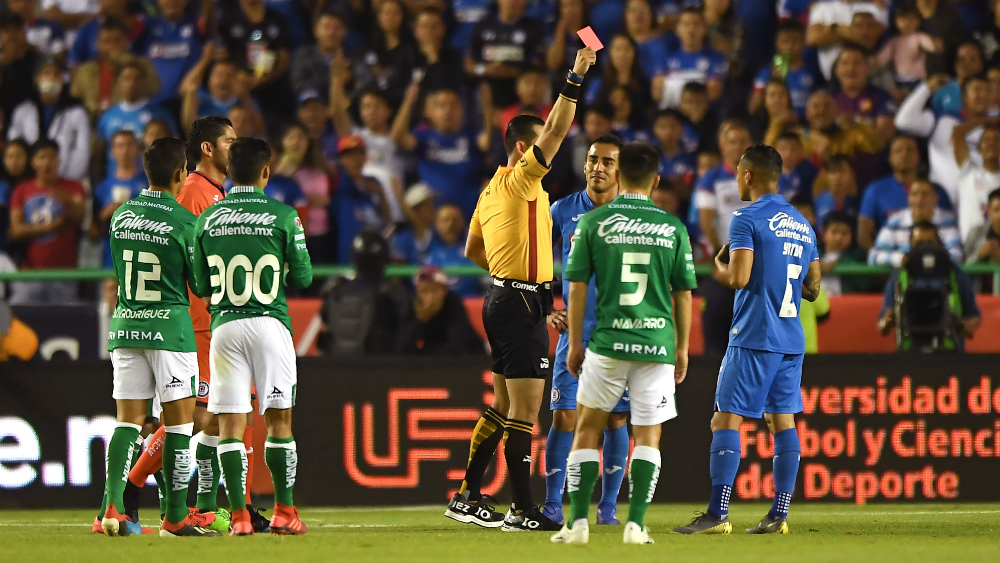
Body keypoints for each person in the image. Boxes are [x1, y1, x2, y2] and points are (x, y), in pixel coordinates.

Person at [444, 46, 596, 532]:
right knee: (525, 413)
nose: (547, 154)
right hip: (521, 300)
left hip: (502, 297)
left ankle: (467, 495)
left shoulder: (491, 188)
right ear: (522, 148)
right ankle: (523, 509)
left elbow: (471, 250)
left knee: (506, 406)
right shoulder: (522, 179)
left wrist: (509, 273)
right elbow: (555, 129)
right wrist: (575, 75)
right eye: (539, 147)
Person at [550, 140, 696, 545]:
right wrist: (682, 347)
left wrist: (576, 343)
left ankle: (577, 523)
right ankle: (636, 524)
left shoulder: (593, 224)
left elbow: (576, 287)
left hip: (608, 342)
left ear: (619, 172)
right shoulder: (673, 227)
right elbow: (683, 293)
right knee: (647, 435)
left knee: (586, 429)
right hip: (656, 345)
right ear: (656, 179)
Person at [673, 143, 821, 535]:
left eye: (739, 172)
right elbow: (814, 287)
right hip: (791, 339)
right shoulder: (803, 224)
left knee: (725, 418)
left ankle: (718, 513)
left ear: (749, 175)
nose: (737, 178)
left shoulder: (746, 219)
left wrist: (719, 265)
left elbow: (738, 278)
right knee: (782, 421)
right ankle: (779, 515)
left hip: (754, 335)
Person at [121, 116, 251, 534]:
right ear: (209, 149)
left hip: (206, 321)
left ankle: (192, 505)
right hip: (193, 322)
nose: (237, 147)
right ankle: (131, 487)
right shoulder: (194, 192)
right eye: (230, 141)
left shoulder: (213, 193)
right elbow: (178, 251)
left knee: (206, 418)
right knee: (193, 418)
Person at [191, 136, 313, 536]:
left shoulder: (207, 218)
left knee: (229, 424)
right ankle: (284, 511)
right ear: (266, 171)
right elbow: (304, 277)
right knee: (279, 421)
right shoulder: (283, 214)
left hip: (224, 327)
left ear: (228, 170)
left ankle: (240, 516)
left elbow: (199, 282)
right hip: (269, 324)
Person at [101, 137, 221, 538]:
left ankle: (111, 510)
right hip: (170, 330)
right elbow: (200, 285)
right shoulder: (186, 223)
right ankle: (174, 517)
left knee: (127, 422)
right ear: (179, 174)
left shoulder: (120, 215)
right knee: (179, 425)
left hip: (126, 324)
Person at [542, 134, 629, 527]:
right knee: (564, 416)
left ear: (620, 171)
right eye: (593, 159)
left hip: (620, 334)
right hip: (574, 335)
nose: (598, 167)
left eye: (608, 162)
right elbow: (539, 261)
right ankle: (552, 504)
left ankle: (608, 507)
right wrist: (547, 307)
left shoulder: (635, 217)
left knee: (615, 419)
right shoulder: (561, 210)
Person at [877, 221, 981, 352]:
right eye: (919, 244)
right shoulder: (899, 277)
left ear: (939, 244)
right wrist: (888, 319)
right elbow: (881, 326)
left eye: (930, 243)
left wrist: (959, 325)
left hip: (949, 353)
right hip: (910, 353)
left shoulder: (955, 275)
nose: (925, 249)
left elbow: (974, 316)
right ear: (910, 246)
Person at [391, 84, 492, 218]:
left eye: (453, 105)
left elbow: (488, 142)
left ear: (462, 110)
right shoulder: (424, 139)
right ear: (429, 111)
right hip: (435, 218)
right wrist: (409, 101)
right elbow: (397, 137)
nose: (448, 111)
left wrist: (487, 105)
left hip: (472, 216)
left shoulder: (471, 137)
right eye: (441, 105)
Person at [695, 120, 751, 355]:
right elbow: (707, 223)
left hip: (752, 267)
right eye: (732, 142)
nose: (737, 147)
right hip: (723, 267)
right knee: (717, 337)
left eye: (742, 142)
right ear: (721, 145)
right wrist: (724, 259)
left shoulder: (758, 179)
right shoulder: (711, 180)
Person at [7, 139, 86, 304]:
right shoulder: (22, 190)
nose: (47, 162)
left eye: (52, 157)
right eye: (42, 157)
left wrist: (67, 200)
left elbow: (81, 217)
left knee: (66, 324)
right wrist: (49, 228)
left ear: (59, 160)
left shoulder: (74, 187)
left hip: (65, 275)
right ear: (33, 162)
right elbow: (17, 230)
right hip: (30, 273)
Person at [895, 73, 991, 204]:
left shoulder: (994, 130)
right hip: (941, 204)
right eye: (977, 90)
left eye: (988, 91)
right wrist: (926, 88)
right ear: (963, 96)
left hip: (979, 204)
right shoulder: (942, 119)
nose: (983, 95)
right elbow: (903, 121)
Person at [318, 230, 409, 355]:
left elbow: (324, 321)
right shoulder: (392, 293)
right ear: (385, 258)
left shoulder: (335, 290)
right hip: (377, 369)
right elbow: (406, 336)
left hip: (336, 367)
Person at [858, 135, 951, 250]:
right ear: (890, 158)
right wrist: (880, 258)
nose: (904, 154)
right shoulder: (875, 191)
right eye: (898, 151)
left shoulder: (937, 191)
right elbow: (863, 236)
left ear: (919, 156)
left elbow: (949, 228)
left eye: (910, 150)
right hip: (892, 261)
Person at [6, 60, 91, 182]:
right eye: (46, 73)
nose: (51, 78)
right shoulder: (23, 110)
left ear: (63, 79)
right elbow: (15, 144)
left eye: (56, 74)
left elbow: (82, 151)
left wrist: (65, 179)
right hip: (27, 179)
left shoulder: (76, 111)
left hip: (65, 178)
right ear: (37, 78)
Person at [216, 0, 294, 121]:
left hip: (275, 91)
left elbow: (284, 58)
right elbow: (223, 57)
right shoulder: (228, 21)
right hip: (240, 93)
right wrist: (237, 76)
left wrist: (264, 79)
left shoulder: (277, 19)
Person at [70, 20, 160, 120]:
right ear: (97, 43)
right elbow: (75, 98)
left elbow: (154, 88)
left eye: (117, 41)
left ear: (126, 41)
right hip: (93, 124)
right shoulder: (85, 70)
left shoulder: (142, 64)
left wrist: (126, 61)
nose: (111, 46)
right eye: (106, 41)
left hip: (130, 120)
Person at [95, 61, 175, 171]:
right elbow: (98, 156)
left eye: (137, 79)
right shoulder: (108, 116)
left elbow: (174, 153)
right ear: (118, 83)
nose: (132, 83)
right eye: (127, 79)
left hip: (149, 182)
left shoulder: (160, 115)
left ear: (145, 82)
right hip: (115, 183)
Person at [465, 0, 545, 108]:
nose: (512, 2)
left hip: (519, 92)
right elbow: (468, 64)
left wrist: (511, 72)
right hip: (487, 88)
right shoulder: (482, 27)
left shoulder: (533, 29)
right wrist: (484, 70)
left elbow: (537, 63)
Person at [869, 179, 963, 267]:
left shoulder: (948, 221)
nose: (919, 200)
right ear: (908, 198)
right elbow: (874, 256)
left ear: (935, 198)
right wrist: (900, 259)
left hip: (939, 278)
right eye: (914, 194)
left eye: (925, 194)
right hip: (904, 277)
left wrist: (920, 260)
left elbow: (956, 255)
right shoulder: (895, 221)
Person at [395, 265, 484, 355]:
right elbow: (402, 348)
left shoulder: (454, 304)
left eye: (434, 290)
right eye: (424, 291)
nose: (430, 297)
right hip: (432, 360)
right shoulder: (412, 306)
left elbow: (456, 346)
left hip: (469, 359)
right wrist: (421, 320)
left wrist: (422, 355)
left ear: (445, 291)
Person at [651, 7, 727, 110]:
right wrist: (699, 81)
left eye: (696, 24)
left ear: (704, 29)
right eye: (686, 24)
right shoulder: (665, 58)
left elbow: (713, 92)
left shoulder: (717, 59)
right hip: (673, 116)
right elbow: (658, 92)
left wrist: (672, 83)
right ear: (677, 30)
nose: (691, 29)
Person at [91, 129, 147, 268]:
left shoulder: (150, 184)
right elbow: (93, 234)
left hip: (143, 260)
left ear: (137, 149)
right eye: (120, 146)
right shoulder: (102, 188)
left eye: (130, 145)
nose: (125, 151)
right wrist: (105, 214)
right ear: (112, 151)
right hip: (112, 261)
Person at [331, 135, 389, 263]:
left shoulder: (374, 183)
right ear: (341, 160)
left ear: (365, 157)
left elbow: (387, 217)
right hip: (347, 258)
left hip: (374, 255)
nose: (355, 160)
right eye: (349, 156)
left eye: (359, 154)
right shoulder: (337, 181)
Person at [179, 51, 263, 135]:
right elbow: (186, 88)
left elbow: (259, 128)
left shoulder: (245, 100)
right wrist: (205, 59)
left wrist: (245, 96)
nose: (223, 80)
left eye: (229, 75)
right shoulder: (200, 97)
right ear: (209, 79)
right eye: (219, 75)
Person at [751, 21, 815, 119]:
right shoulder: (767, 72)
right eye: (785, 41)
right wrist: (771, 81)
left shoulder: (812, 71)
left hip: (804, 124)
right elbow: (753, 108)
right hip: (774, 122)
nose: (790, 46)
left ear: (804, 42)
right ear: (777, 44)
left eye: (795, 41)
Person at [874, 4, 939, 92]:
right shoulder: (894, 41)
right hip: (899, 82)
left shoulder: (919, 37)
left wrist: (935, 45)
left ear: (919, 22)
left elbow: (932, 47)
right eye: (903, 19)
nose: (907, 23)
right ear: (896, 21)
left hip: (917, 81)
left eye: (911, 20)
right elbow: (881, 58)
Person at [956, 125, 1000, 246]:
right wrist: (987, 121)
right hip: (972, 247)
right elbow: (958, 133)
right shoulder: (968, 174)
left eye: (996, 139)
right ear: (980, 147)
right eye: (986, 139)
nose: (991, 142)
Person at [424, 203, 480, 296]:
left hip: (471, 302)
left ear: (462, 222)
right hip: (440, 304)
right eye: (445, 220)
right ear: (437, 224)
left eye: (455, 219)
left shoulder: (474, 250)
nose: (451, 224)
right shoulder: (428, 250)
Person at [290, 11, 346, 98]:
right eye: (326, 28)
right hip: (313, 104)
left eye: (336, 28)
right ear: (316, 31)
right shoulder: (303, 55)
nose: (331, 32)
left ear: (344, 32)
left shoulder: (351, 57)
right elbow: (299, 85)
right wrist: (334, 77)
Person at [820, 210, 870, 295]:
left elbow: (865, 283)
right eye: (834, 231)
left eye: (844, 233)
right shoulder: (810, 254)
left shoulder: (858, 257)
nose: (838, 238)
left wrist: (838, 263)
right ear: (824, 234)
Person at [391, 183, 438, 264]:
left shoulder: (439, 231)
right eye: (428, 206)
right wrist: (402, 202)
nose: (433, 209)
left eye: (432, 204)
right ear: (415, 210)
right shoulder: (404, 237)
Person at [814, 154, 858, 227]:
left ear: (852, 174)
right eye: (833, 172)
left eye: (843, 172)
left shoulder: (858, 202)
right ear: (826, 175)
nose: (837, 177)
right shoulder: (816, 203)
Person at [775, 131, 817, 202]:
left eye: (793, 149)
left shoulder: (809, 171)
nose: (788, 153)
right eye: (783, 149)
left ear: (801, 150)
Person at [965, 187, 1000, 264]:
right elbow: (963, 266)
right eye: (996, 210)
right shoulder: (975, 233)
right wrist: (980, 255)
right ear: (989, 211)